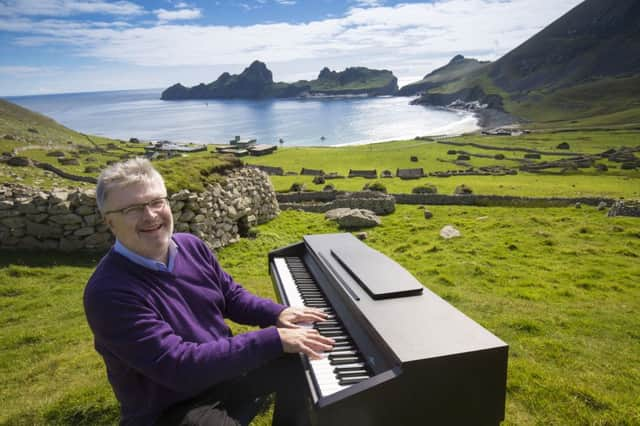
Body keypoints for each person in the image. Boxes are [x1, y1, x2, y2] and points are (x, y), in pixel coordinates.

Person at [83, 158, 334, 425]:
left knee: (303, 360)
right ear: (109, 222)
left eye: (157, 202)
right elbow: (179, 366)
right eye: (133, 209)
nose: (151, 215)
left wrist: (278, 313)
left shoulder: (191, 246)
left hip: (223, 372)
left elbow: (231, 296)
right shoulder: (108, 293)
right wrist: (273, 339)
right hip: (172, 407)